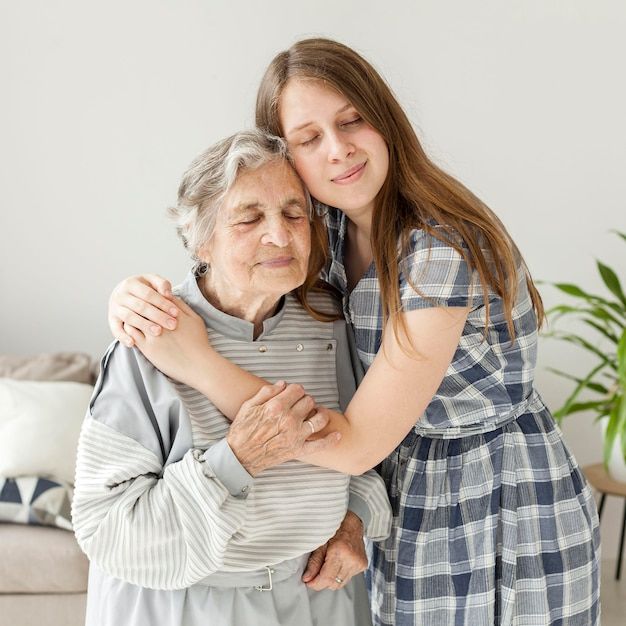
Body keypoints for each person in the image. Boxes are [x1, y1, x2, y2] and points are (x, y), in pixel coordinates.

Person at [107, 39, 600, 626]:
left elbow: (358, 442)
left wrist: (195, 363)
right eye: (309, 139)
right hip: (408, 486)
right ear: (287, 159)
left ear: (384, 119)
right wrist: (131, 298)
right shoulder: (331, 235)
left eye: (351, 121)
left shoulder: (438, 252)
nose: (338, 149)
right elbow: (226, 257)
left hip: (497, 491)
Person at [72, 129, 392, 626]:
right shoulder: (151, 335)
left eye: (293, 213)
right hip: (181, 605)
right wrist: (236, 461)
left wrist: (354, 521)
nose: (280, 236)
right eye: (249, 217)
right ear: (201, 239)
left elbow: (366, 453)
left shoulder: (332, 320)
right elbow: (107, 529)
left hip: (311, 598)